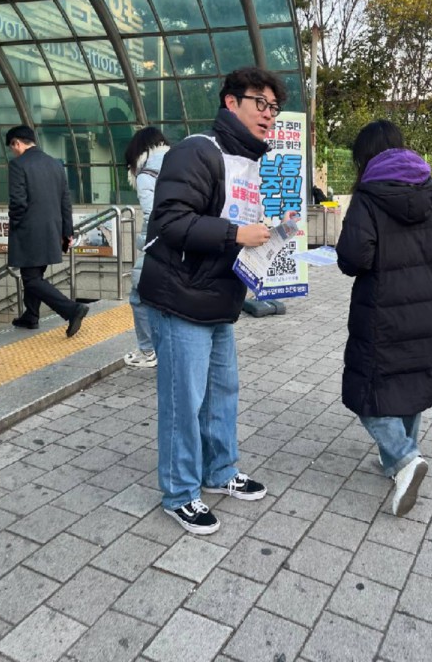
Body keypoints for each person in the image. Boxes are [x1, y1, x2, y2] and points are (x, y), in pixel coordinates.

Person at [139, 67, 287, 534]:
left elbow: (236, 221)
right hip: (181, 297)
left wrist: (270, 233)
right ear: (231, 103)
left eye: (273, 107)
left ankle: (220, 472)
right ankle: (180, 493)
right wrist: (237, 233)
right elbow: (169, 221)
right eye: (259, 103)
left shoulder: (251, 162)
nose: (268, 115)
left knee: (222, 393)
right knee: (185, 401)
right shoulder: (196, 151)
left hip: (221, 296)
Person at [336, 119, 432, 517]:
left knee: (367, 396)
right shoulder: (431, 195)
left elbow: (353, 258)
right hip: (425, 309)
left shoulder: (368, 197)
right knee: (410, 384)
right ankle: (394, 462)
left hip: (380, 312)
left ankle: (405, 459)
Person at [6, 125, 89, 337]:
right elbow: (65, 201)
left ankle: (71, 310)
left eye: (12, 146)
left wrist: (15, 225)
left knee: (32, 279)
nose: (12, 151)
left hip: (29, 231)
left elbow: (18, 203)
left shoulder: (18, 165)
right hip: (52, 229)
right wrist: (67, 231)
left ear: (17, 142)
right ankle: (31, 315)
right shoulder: (55, 164)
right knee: (34, 275)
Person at [123, 126, 170, 368]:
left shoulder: (146, 173)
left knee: (138, 296)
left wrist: (142, 242)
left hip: (161, 244)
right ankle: (168, 350)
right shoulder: (178, 160)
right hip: (189, 240)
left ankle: (148, 351)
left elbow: (154, 217)